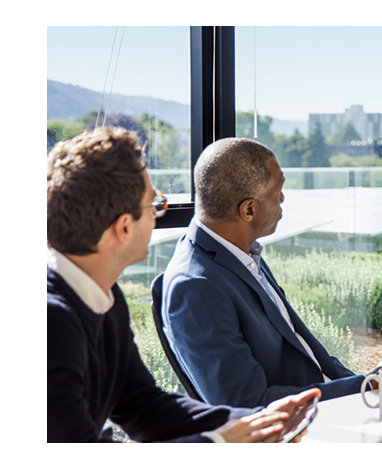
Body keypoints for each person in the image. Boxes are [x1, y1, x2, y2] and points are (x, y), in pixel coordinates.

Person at [47, 127, 321, 443]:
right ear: (123, 227)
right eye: (155, 204)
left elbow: (143, 407)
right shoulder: (52, 323)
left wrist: (262, 420)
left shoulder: (106, 298)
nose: (156, 217)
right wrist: (219, 444)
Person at [161, 137, 382, 407]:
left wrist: (370, 382)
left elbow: (307, 354)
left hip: (330, 408)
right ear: (249, 209)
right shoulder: (196, 286)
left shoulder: (242, 254)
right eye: (278, 191)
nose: (283, 199)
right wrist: (368, 385)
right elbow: (248, 404)